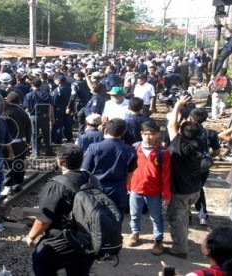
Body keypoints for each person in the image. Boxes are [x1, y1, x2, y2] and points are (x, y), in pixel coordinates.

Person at [26, 144, 96, 275]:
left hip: (64, 240)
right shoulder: (92, 179)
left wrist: (31, 236)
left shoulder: (56, 185)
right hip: (89, 239)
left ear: (60, 162)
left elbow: (44, 219)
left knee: (41, 261)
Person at [166, 95, 204, 258]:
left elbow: (171, 125)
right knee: (184, 215)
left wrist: (177, 106)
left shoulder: (179, 145)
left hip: (181, 190)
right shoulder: (199, 143)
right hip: (194, 188)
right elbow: (175, 126)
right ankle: (181, 242)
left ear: (182, 132)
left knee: (178, 219)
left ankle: (180, 249)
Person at [126, 120, 171, 256]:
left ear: (158, 134)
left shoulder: (163, 152)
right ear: (141, 134)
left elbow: (166, 174)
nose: (148, 137)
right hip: (136, 188)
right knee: (134, 214)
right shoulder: (134, 148)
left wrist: (166, 194)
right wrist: (128, 185)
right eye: (145, 134)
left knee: (156, 216)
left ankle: (158, 240)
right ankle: (135, 233)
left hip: (154, 191)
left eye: (152, 134)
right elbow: (129, 170)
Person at [82, 118, 137, 217]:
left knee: (95, 218)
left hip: (96, 188)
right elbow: (130, 174)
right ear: (124, 132)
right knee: (116, 218)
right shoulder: (130, 151)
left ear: (106, 130)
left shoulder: (94, 147)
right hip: (118, 189)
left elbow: (85, 170)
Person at [189, 108, 220, 226]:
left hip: (188, 165)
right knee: (199, 189)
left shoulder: (186, 132)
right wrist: (208, 157)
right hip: (203, 167)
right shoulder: (210, 133)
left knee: (184, 189)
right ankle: (202, 215)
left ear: (190, 118)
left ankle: (187, 214)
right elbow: (217, 151)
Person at [2, 92, 32, 195]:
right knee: (20, 163)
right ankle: (18, 183)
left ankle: (8, 185)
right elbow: (29, 128)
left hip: (11, 144)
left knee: (9, 165)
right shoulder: (23, 112)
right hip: (22, 142)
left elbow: (4, 131)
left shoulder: (6, 114)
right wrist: (28, 141)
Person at [23, 78, 54, 157]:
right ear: (41, 85)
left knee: (34, 134)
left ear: (32, 85)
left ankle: (35, 153)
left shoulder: (28, 95)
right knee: (47, 134)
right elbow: (50, 106)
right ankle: (49, 152)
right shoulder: (46, 94)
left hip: (33, 116)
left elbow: (26, 109)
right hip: (43, 116)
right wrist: (51, 117)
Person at [51, 74, 73, 144]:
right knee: (67, 124)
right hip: (67, 109)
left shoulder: (57, 90)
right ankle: (69, 138)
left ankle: (58, 140)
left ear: (59, 81)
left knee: (58, 125)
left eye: (56, 79)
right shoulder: (69, 88)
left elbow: (54, 101)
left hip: (58, 110)